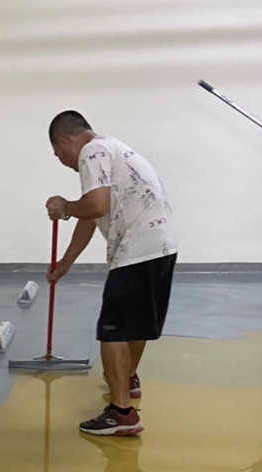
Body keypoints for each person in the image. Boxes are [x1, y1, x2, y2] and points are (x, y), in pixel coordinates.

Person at [45, 111, 177, 436]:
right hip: (161, 245)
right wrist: (65, 263)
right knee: (135, 325)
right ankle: (128, 381)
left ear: (65, 141)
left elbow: (95, 206)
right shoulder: (113, 148)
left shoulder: (92, 151)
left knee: (112, 331)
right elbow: (91, 216)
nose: (62, 161)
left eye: (59, 154)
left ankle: (122, 414)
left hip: (135, 248)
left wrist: (63, 206)